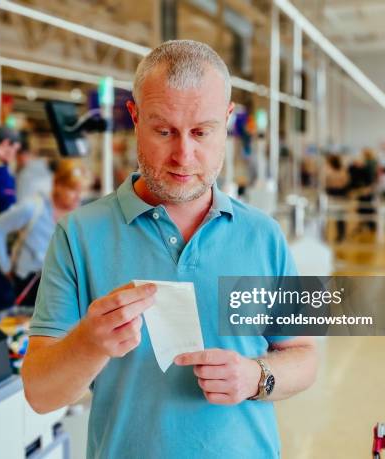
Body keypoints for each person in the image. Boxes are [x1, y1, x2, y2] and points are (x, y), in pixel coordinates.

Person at [22, 40, 317, 458]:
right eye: (164, 131)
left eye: (201, 132)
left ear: (228, 121)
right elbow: (40, 393)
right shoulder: (79, 235)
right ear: (135, 117)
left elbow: (304, 356)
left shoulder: (263, 235)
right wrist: (89, 343)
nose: (183, 155)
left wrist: (256, 376)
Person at [0, 160, 89, 306]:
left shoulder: (79, 213)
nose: (79, 197)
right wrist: (5, 267)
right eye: (73, 189)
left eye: (83, 191)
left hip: (63, 285)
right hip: (30, 284)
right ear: (57, 184)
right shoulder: (33, 207)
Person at [0, 127, 21, 217]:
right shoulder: (0, 171)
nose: (14, 155)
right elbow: (7, 207)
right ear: (5, 143)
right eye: (15, 149)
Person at [325, 154, 349, 242]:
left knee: (340, 216)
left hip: (337, 194)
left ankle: (341, 235)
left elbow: (343, 183)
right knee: (336, 216)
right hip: (336, 194)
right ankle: (340, 235)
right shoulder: (341, 171)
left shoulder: (335, 171)